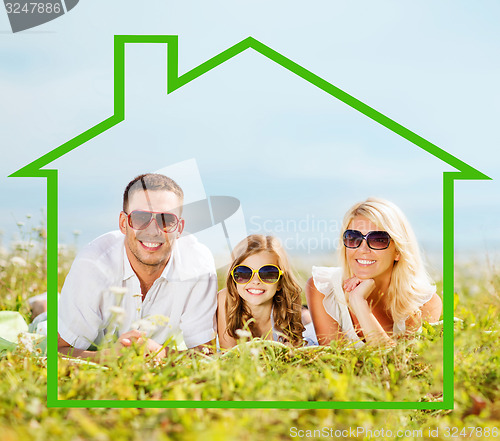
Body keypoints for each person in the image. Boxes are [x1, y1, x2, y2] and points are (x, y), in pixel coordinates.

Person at [57, 173, 217, 360]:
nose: (152, 230)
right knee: (44, 321)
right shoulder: (93, 264)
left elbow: (206, 355)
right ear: (124, 223)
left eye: (166, 219)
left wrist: (160, 353)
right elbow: (57, 350)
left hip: (160, 344)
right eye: (141, 217)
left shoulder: (198, 265)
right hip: (92, 342)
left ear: (179, 228)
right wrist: (109, 356)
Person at [306, 197, 442, 347]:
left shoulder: (425, 304)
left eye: (378, 239)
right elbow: (338, 363)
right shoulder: (324, 289)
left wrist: (359, 303)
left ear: (398, 251)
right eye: (353, 238)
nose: (362, 249)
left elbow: (400, 364)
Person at [217, 235, 305, 349]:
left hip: (302, 318)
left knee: (306, 317)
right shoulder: (226, 299)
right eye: (244, 272)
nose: (256, 281)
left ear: (280, 282)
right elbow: (229, 355)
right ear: (233, 277)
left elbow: (293, 356)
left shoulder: (288, 309)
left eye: (268, 273)